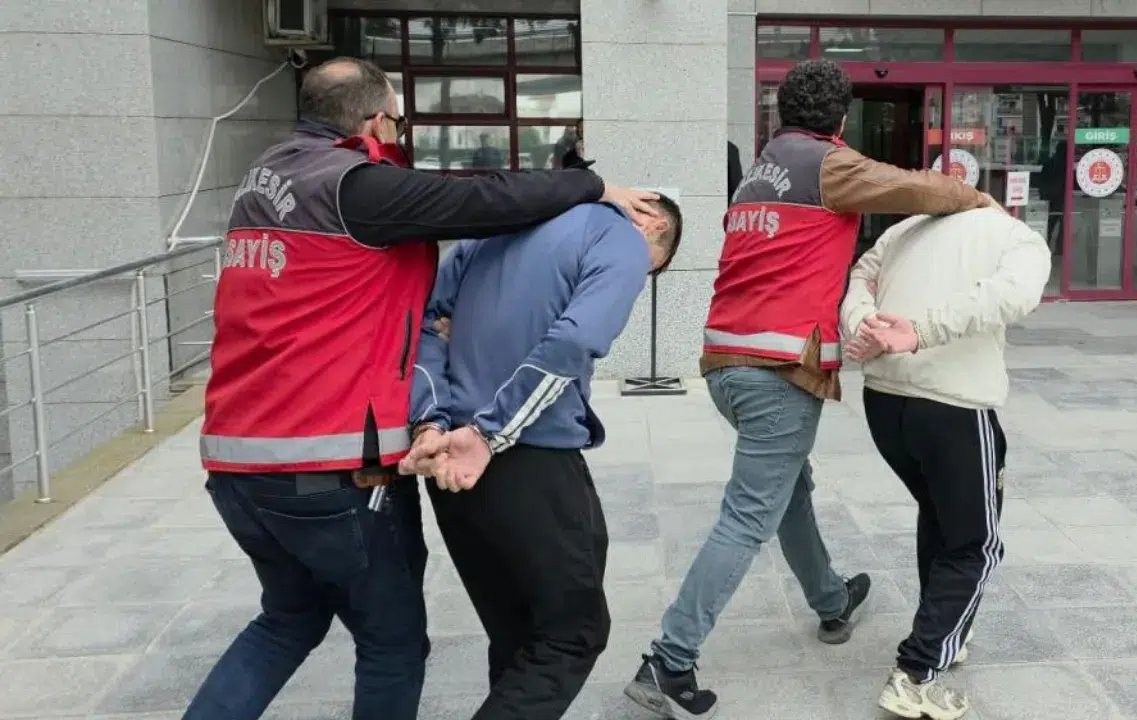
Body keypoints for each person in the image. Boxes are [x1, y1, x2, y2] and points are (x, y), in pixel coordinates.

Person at [187, 56, 656, 720]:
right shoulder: (352, 187)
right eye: (399, 124)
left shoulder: (264, 179)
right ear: (375, 123)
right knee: (394, 646)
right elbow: (484, 199)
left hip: (235, 461)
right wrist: (593, 186)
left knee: (289, 620)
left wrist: (432, 416)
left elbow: (436, 311)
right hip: (327, 464)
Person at [624, 59, 1002, 720]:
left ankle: (831, 601)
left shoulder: (761, 171)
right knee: (748, 515)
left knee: (788, 489)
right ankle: (669, 658)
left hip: (726, 363)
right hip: (777, 372)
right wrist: (975, 198)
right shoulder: (828, 164)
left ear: (781, 112)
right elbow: (914, 188)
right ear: (842, 119)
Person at [396, 194, 685, 719]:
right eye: (650, 270)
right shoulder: (620, 236)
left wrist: (430, 421)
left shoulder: (494, 226)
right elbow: (575, 340)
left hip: (450, 462)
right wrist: (488, 434)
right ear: (654, 222)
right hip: (521, 457)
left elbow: (423, 326)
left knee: (516, 634)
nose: (637, 281)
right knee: (573, 633)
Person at [841, 208, 1051, 719]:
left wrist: (865, 326)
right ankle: (916, 673)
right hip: (954, 404)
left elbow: (859, 280)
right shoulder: (1015, 235)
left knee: (939, 516)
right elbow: (1013, 295)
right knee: (975, 543)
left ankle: (945, 636)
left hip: (885, 400)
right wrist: (922, 331)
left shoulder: (903, 228)